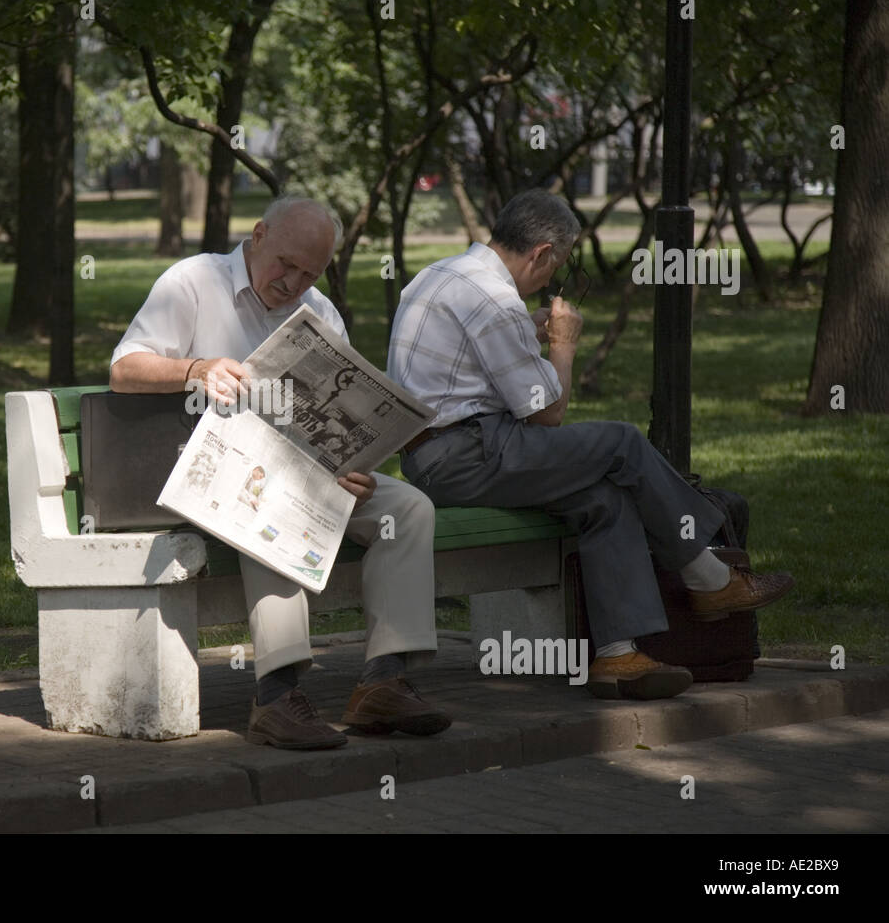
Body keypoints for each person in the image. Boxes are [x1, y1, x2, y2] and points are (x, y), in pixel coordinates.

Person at [387, 188, 794, 700]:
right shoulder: (494, 300)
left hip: (436, 454)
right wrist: (564, 345)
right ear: (540, 252)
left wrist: (526, 336)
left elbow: (469, 376)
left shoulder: (441, 275)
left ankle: (618, 654)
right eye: (556, 266)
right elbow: (547, 414)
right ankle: (709, 576)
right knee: (620, 442)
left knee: (605, 500)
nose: (553, 279)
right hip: (466, 453)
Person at [111, 194, 451, 749]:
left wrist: (352, 470)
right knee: (269, 500)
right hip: (202, 476)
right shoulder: (194, 281)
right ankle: (276, 695)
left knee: (407, 508)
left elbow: (341, 414)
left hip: (300, 470)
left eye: (308, 273)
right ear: (259, 233)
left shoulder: (319, 311)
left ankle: (383, 682)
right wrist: (195, 369)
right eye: (285, 264)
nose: (292, 283)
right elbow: (124, 369)